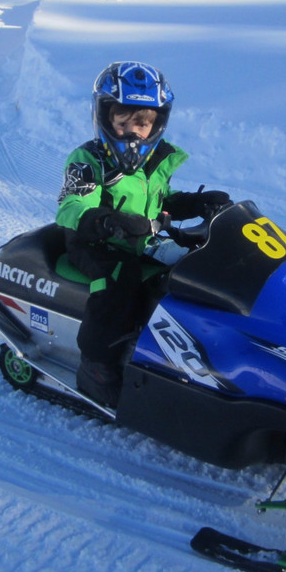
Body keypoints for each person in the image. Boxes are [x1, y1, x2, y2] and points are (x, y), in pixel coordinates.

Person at [56, 61, 231, 408]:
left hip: (139, 239)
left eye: (143, 122)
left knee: (190, 268)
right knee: (120, 278)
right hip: (94, 242)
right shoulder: (89, 159)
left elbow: (161, 203)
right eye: (123, 121)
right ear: (105, 117)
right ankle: (96, 366)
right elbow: (71, 206)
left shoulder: (154, 163)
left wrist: (198, 203)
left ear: (157, 123)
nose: (133, 131)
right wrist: (107, 221)